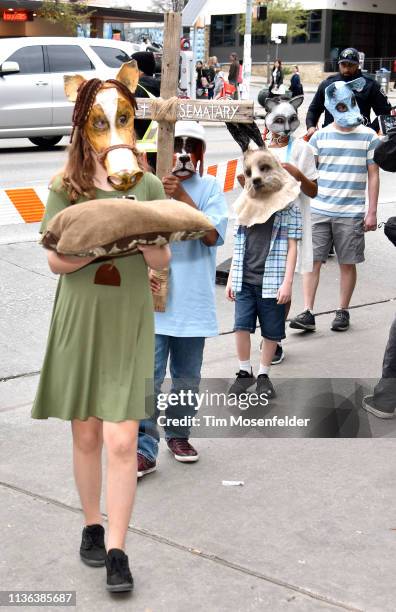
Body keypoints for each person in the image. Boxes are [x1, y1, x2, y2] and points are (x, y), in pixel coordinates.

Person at [31, 69, 171, 592]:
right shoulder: (63, 186)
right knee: (87, 433)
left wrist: (138, 232)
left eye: (121, 122)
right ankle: (91, 524)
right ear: (82, 128)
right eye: (100, 123)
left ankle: (118, 549)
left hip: (127, 321)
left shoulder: (150, 183)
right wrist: (102, 238)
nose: (113, 133)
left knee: (121, 439)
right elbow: (56, 263)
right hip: (81, 318)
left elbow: (162, 259)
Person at [137, 121, 228, 478]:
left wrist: (182, 197)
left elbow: (211, 236)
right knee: (149, 377)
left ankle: (178, 435)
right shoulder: (148, 187)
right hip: (152, 302)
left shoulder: (209, 188)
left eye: (192, 146)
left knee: (187, 377)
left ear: (201, 153)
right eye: (177, 145)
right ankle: (144, 448)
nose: (184, 154)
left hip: (192, 303)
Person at [290, 78, 379, 334]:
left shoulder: (368, 136)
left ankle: (343, 310)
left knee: (347, 263)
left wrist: (371, 211)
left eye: (350, 103)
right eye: (340, 106)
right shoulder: (319, 137)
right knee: (312, 261)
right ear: (330, 106)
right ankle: (307, 311)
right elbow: (308, 172)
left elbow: (374, 174)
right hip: (319, 209)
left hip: (351, 212)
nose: (347, 109)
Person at [226, 155, 303, 398]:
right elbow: (239, 243)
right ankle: (243, 371)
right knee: (240, 327)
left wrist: (287, 283)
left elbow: (292, 246)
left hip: (273, 281)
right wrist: (230, 277)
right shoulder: (246, 201)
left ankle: (263, 374)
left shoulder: (289, 206)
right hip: (244, 279)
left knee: (271, 331)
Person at [262, 95, 318, 364]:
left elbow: (313, 191)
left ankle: (274, 337)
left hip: (291, 226)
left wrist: (298, 173)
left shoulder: (303, 150)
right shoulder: (258, 147)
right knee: (261, 284)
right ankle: (268, 335)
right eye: (279, 120)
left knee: (283, 285)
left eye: (290, 120)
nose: (284, 127)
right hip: (261, 225)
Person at [306, 47, 392, 137]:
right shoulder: (327, 84)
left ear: (357, 64)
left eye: (350, 65)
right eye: (343, 64)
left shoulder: (370, 85)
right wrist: (311, 126)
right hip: (331, 136)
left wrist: (371, 130)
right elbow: (314, 109)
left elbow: (385, 113)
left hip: (360, 137)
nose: (346, 69)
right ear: (339, 64)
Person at [131, 51, 160, 171]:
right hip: (162, 150)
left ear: (139, 70)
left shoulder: (135, 90)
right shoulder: (164, 87)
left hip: (140, 155)